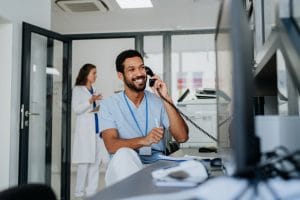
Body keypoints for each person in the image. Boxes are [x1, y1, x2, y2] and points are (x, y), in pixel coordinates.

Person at [99, 49, 189, 186]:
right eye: (131, 69)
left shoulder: (158, 100)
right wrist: (144, 140)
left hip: (156, 164)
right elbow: (111, 145)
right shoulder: (109, 105)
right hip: (124, 167)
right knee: (124, 154)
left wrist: (166, 98)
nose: (139, 73)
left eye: (142, 67)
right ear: (120, 75)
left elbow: (182, 137)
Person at [72, 63, 104, 198]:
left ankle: (91, 192)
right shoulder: (78, 90)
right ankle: (78, 193)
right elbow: (77, 109)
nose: (96, 76)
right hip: (85, 132)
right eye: (94, 73)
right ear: (87, 74)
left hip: (96, 131)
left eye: (96, 73)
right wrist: (90, 100)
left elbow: (92, 111)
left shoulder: (93, 89)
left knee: (95, 163)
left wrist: (99, 104)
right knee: (84, 163)